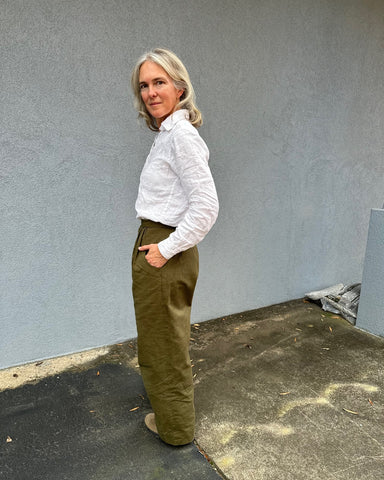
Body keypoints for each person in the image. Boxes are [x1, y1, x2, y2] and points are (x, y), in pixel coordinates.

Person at [130, 48, 219, 446]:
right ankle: (172, 417)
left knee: (164, 344)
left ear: (179, 88)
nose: (150, 92)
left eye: (159, 82)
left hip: (165, 248)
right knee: (161, 338)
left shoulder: (182, 136)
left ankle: (176, 429)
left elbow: (206, 207)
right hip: (159, 242)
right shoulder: (168, 133)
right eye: (144, 85)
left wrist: (164, 249)